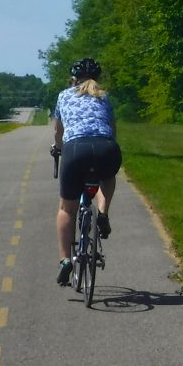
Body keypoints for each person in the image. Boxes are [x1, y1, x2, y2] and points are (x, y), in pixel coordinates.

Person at [51, 58, 123, 286]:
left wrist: (58, 148)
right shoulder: (104, 96)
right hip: (106, 147)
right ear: (97, 79)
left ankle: (65, 260)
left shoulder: (64, 96)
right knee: (107, 177)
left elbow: (58, 131)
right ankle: (102, 212)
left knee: (67, 209)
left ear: (73, 79)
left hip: (75, 149)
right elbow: (112, 128)